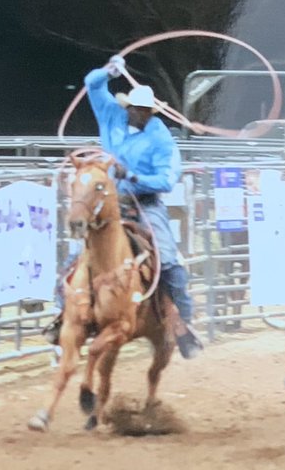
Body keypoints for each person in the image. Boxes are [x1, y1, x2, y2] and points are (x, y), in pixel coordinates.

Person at [46, 55, 202, 358]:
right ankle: (61, 316)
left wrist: (132, 176)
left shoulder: (161, 139)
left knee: (168, 261)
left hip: (145, 204)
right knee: (75, 257)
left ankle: (183, 324)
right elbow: (92, 85)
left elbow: (166, 180)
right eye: (132, 108)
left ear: (148, 112)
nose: (135, 113)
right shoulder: (111, 115)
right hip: (106, 203)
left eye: (140, 110)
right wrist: (107, 72)